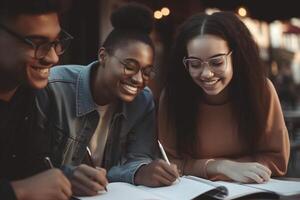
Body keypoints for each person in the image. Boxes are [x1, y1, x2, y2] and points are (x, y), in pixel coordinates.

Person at [36, 3, 179, 196]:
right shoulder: (52, 88)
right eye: (129, 66)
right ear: (103, 55)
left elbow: (137, 157)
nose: (138, 79)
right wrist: (66, 176)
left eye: (146, 72)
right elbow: (28, 163)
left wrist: (141, 172)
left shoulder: (143, 101)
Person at [158, 11, 290, 184]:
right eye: (195, 64)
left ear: (236, 57)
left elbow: (277, 159)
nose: (206, 74)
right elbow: (170, 164)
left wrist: (237, 170)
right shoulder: (172, 97)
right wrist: (219, 166)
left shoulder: (261, 90)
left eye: (217, 62)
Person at [0, 0, 74, 199]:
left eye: (56, 42)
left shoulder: (32, 94)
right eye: (38, 43)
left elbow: (36, 168)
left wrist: (69, 177)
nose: (53, 58)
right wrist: (19, 191)